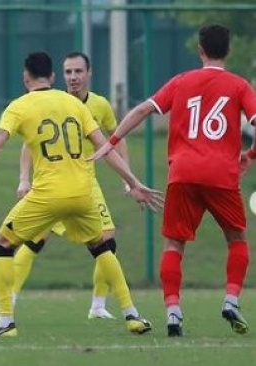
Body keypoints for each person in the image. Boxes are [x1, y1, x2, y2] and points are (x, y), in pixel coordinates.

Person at [0, 52, 162, 337]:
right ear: (54, 77)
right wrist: (133, 181)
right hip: (84, 193)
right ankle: (132, 314)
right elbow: (106, 146)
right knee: (101, 247)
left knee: (3, 244)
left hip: (47, 195)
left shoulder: (18, 106)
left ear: (25, 78)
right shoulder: (74, 103)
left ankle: (5, 322)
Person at [91, 24, 256, 337]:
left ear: (200, 50)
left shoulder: (182, 81)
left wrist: (110, 142)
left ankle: (173, 312)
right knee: (236, 240)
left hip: (183, 173)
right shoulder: (239, 85)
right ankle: (232, 299)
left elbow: (142, 109)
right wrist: (250, 154)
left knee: (174, 245)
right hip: (222, 175)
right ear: (229, 50)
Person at [0, 52, 129, 320]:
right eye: (68, 72)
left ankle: (98, 305)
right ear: (60, 75)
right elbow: (28, 143)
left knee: (108, 239)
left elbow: (114, 139)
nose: (73, 77)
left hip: (86, 183)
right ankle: (10, 298)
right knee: (34, 240)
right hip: (53, 183)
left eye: (78, 71)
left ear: (89, 73)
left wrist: (128, 178)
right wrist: (24, 178)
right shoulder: (54, 102)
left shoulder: (100, 105)